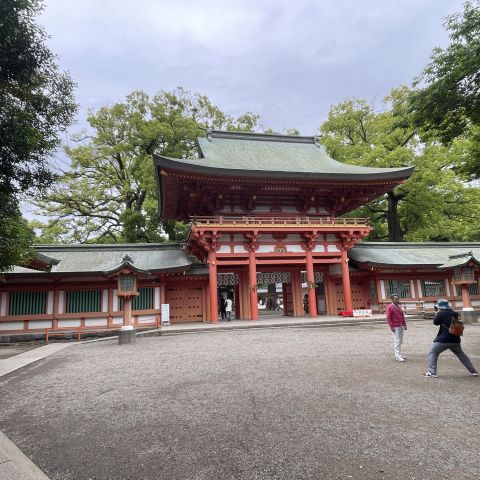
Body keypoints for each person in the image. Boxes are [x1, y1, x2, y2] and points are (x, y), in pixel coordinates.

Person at [423, 298, 478, 378]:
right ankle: (473, 371)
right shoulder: (454, 313)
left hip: (443, 339)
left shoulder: (441, 313)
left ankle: (432, 372)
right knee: (461, 355)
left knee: (433, 353)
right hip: (455, 338)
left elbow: (435, 323)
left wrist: (437, 313)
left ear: (440, 306)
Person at [386, 294, 407, 362]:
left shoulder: (399, 306)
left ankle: (399, 354)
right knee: (397, 341)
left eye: (398, 299)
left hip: (401, 325)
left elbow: (402, 315)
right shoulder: (389, 307)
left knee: (400, 341)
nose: (397, 300)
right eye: (396, 299)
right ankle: (397, 356)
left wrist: (405, 324)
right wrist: (391, 326)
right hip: (395, 326)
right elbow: (388, 317)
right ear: (392, 299)